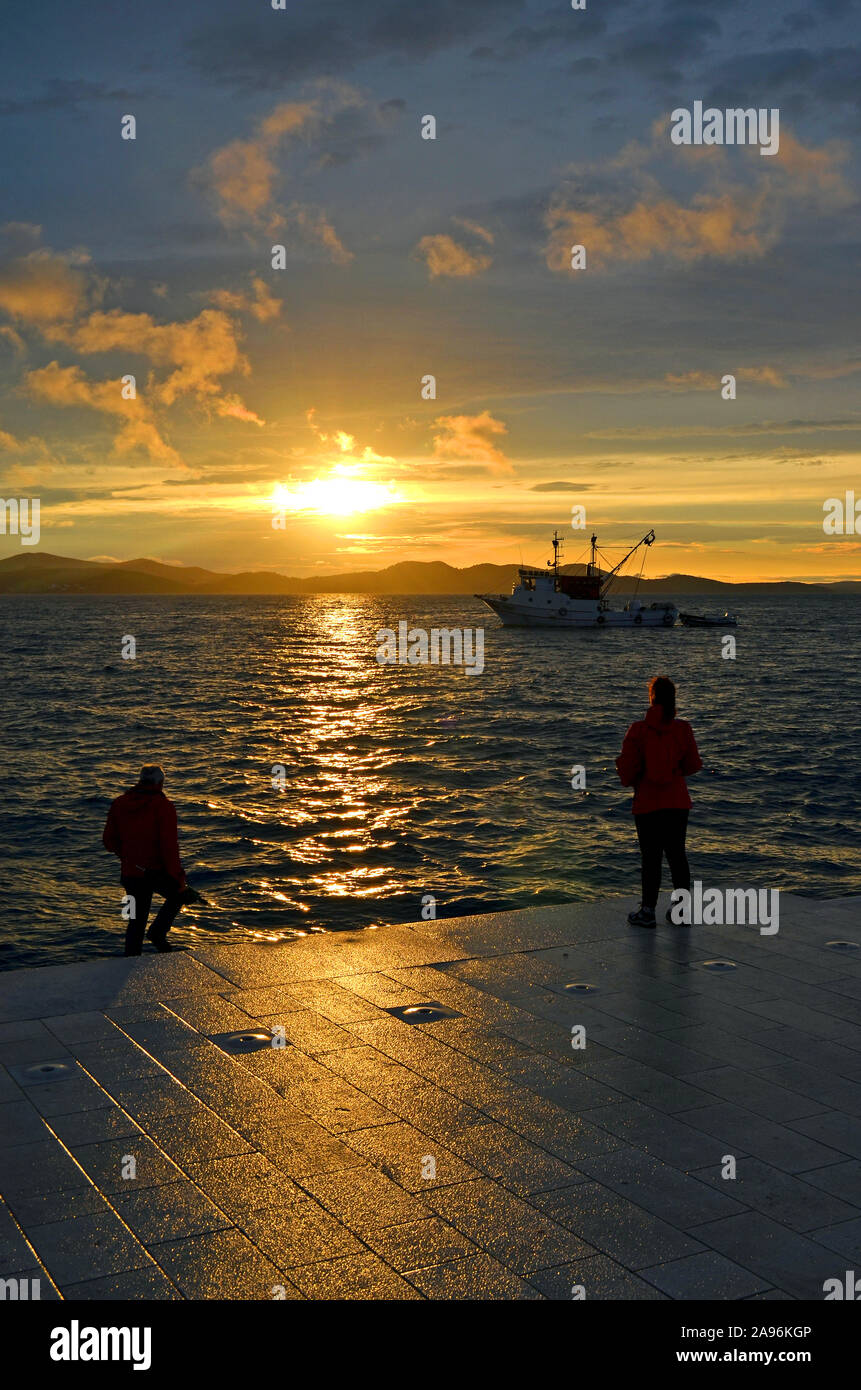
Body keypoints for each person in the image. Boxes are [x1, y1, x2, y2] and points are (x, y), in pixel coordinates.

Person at [615, 675, 703, 928]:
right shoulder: (683, 729)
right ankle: (681, 911)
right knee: (677, 856)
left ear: (652, 698)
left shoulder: (638, 731)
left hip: (648, 803)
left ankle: (648, 911)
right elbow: (693, 765)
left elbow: (628, 772)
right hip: (677, 801)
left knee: (651, 858)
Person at [103, 764, 186, 955]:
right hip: (155, 872)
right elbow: (169, 847)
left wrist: (127, 856)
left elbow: (108, 841)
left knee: (134, 922)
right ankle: (157, 933)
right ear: (160, 783)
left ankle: (129, 962)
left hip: (130, 874)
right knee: (179, 895)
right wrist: (178, 876)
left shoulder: (119, 803)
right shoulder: (163, 806)